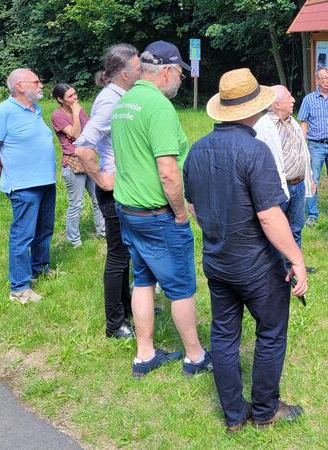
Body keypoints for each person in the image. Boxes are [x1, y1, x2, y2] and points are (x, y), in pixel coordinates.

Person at [185, 68, 307, 432]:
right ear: (253, 109)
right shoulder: (255, 151)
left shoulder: (196, 150)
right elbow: (270, 217)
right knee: (270, 332)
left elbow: (193, 206)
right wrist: (297, 259)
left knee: (224, 336)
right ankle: (265, 410)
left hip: (217, 261)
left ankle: (235, 416)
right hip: (255, 265)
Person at [110, 40, 211, 378]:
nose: (181, 80)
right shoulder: (159, 107)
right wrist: (181, 213)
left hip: (129, 210)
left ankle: (145, 353)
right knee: (181, 286)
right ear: (166, 71)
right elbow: (168, 171)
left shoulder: (125, 103)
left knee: (143, 279)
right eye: (180, 73)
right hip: (158, 214)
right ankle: (195, 356)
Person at [73, 44, 141, 339]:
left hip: (124, 187)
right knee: (117, 256)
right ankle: (115, 323)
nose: (142, 72)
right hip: (113, 191)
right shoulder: (109, 101)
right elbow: (83, 145)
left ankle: (127, 309)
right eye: (138, 68)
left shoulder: (120, 96)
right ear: (125, 73)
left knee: (125, 253)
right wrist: (101, 179)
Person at [0, 68, 55, 304]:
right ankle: (19, 287)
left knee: (44, 230)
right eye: (37, 81)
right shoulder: (4, 111)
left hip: (46, 182)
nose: (41, 84)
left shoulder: (35, 109)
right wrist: (10, 176)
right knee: (22, 236)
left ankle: (40, 268)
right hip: (24, 187)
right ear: (20, 86)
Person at [253, 85, 314, 252]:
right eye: (289, 97)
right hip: (278, 187)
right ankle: (277, 270)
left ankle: (294, 265)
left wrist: (310, 176)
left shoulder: (292, 121)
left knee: (296, 228)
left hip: (299, 184)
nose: (293, 100)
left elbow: (303, 151)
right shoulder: (262, 127)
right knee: (276, 231)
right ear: (277, 104)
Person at [51, 83, 105, 247]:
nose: (75, 98)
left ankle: (102, 231)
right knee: (76, 203)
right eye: (70, 96)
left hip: (87, 160)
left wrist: (101, 154)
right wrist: (75, 113)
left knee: (98, 199)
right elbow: (74, 134)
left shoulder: (81, 111)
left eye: (75, 94)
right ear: (60, 99)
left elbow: (89, 134)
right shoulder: (57, 116)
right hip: (72, 163)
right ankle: (74, 240)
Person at [298, 66, 328, 226]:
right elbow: (303, 123)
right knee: (313, 180)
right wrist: (302, 144)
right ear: (317, 80)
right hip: (315, 146)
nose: (327, 80)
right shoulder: (309, 99)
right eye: (324, 78)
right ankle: (312, 214)